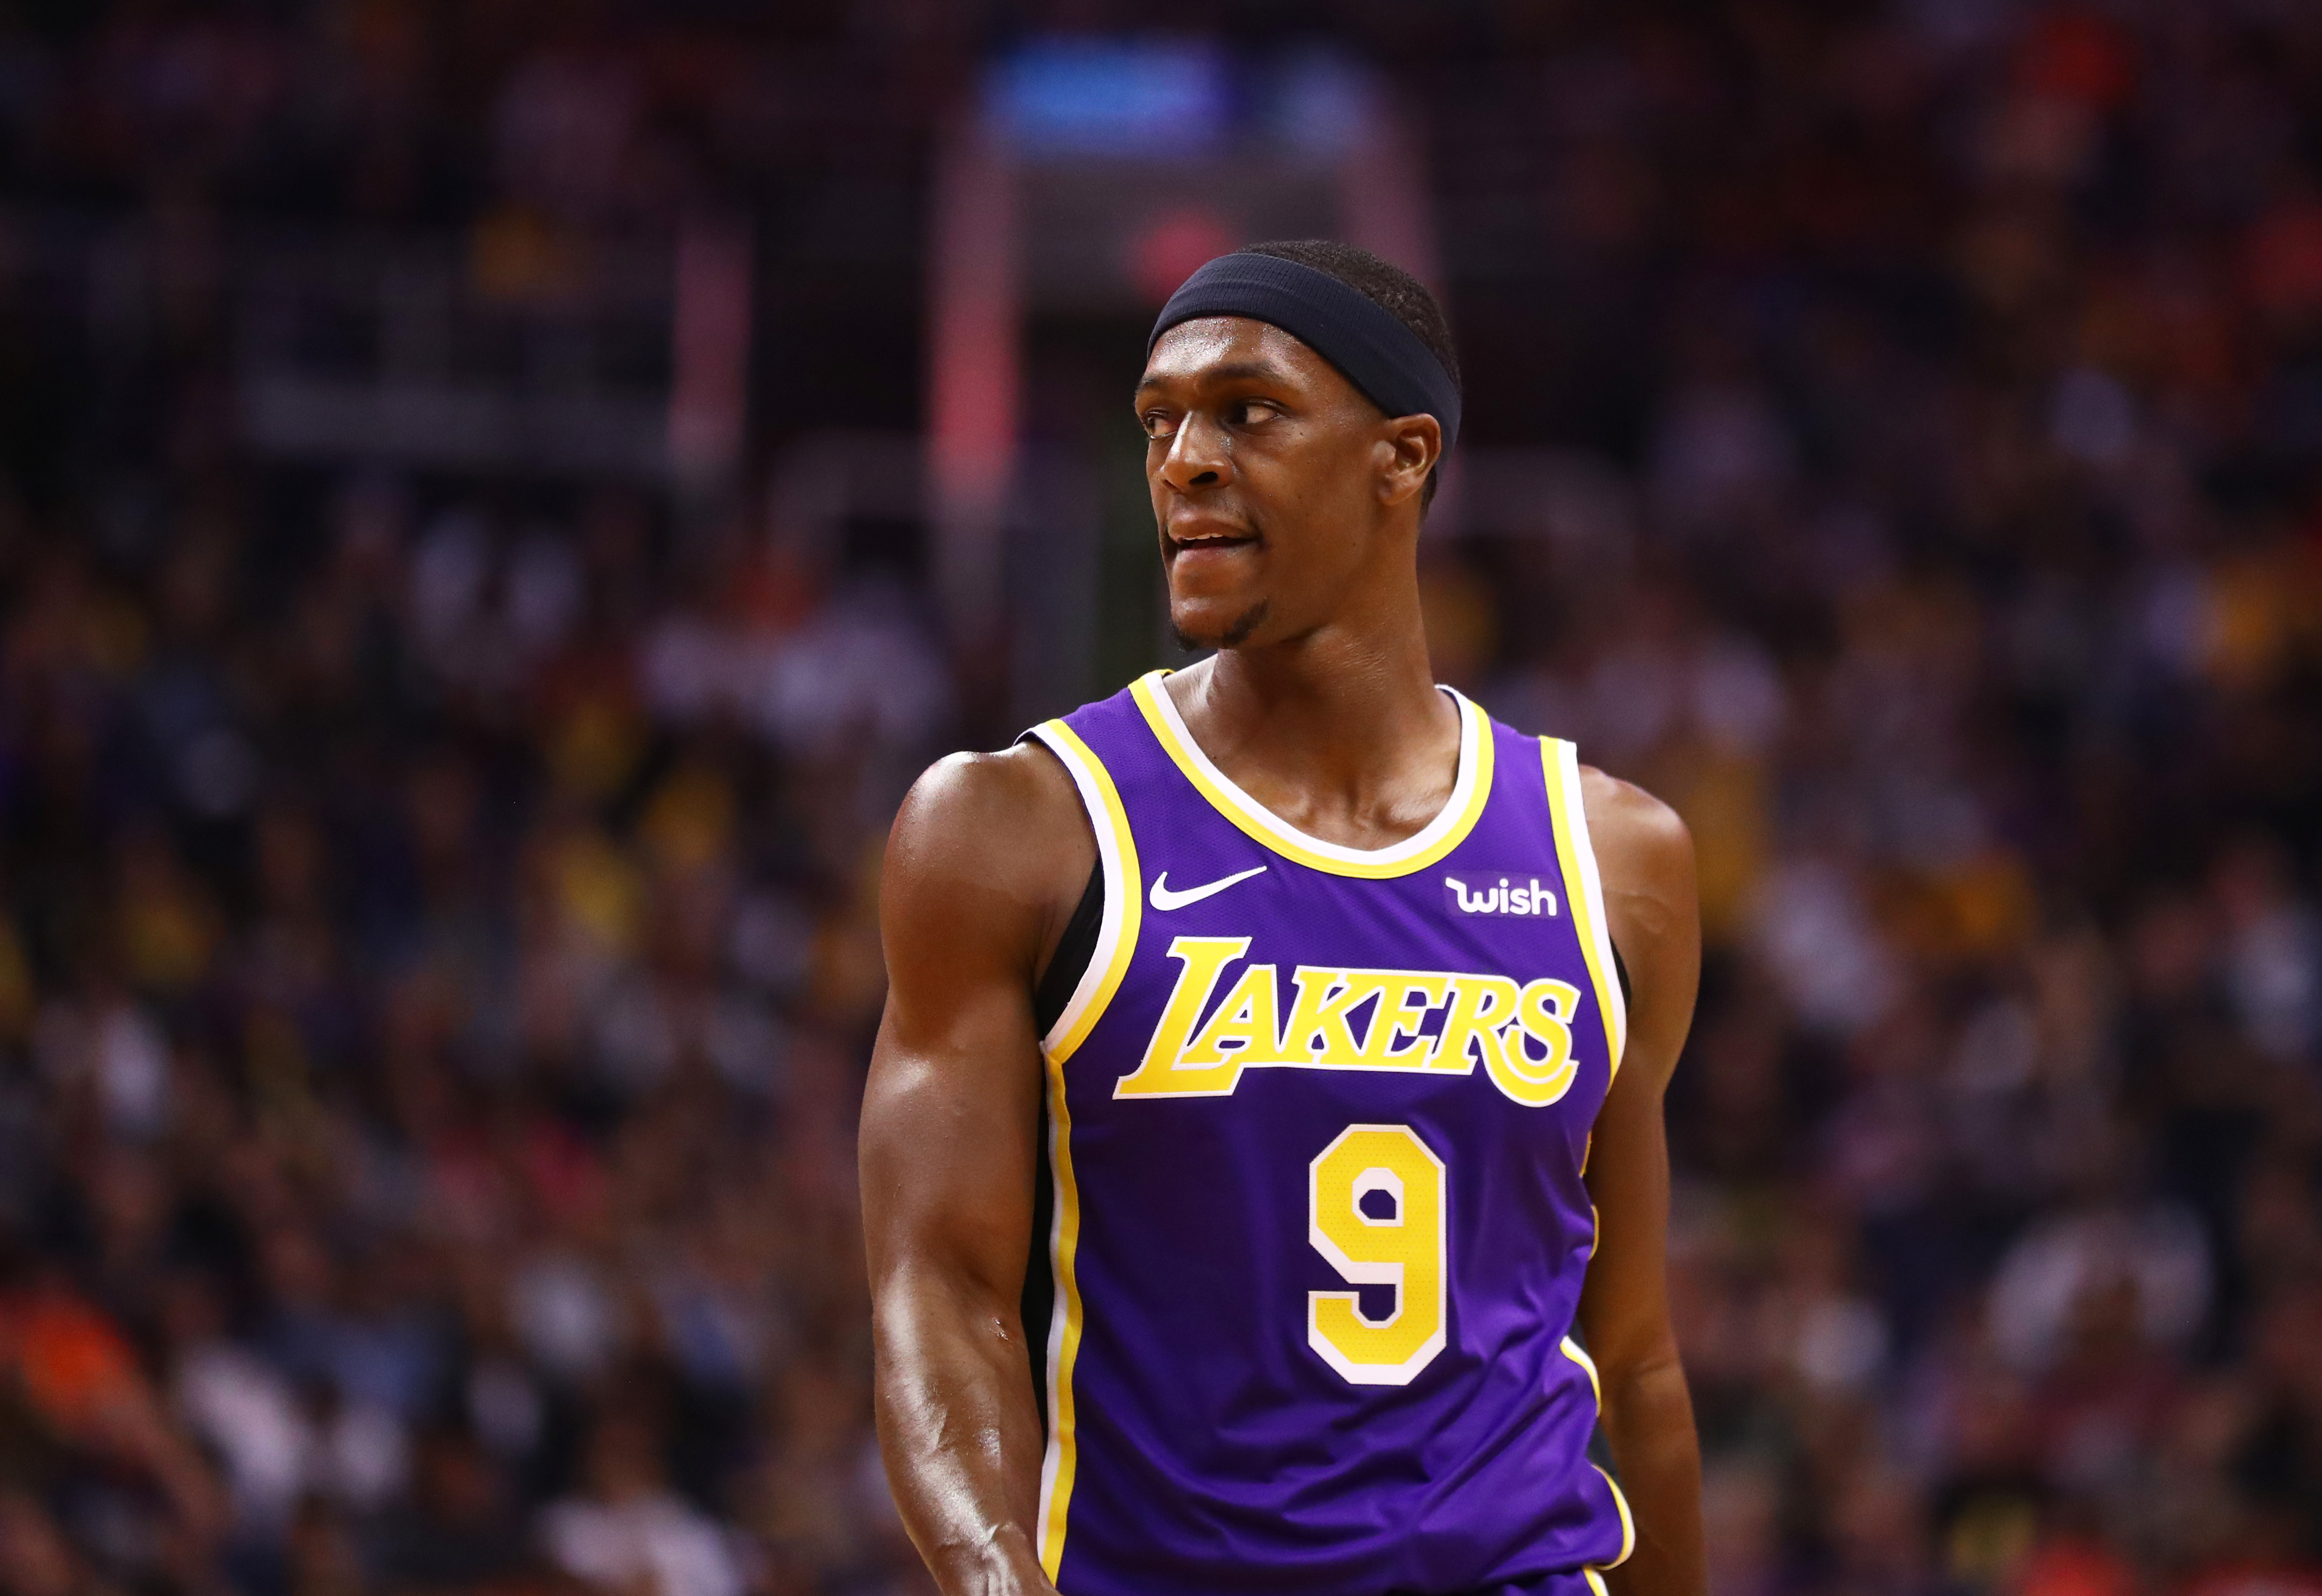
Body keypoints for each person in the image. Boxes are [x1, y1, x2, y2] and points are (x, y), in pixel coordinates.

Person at [861, 240, 1706, 1596]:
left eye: (1248, 411)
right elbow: (941, 1294)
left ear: (1405, 456)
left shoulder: (1617, 859)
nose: (1185, 458)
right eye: (1160, 422)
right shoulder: (1015, 827)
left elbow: (1639, 1357)